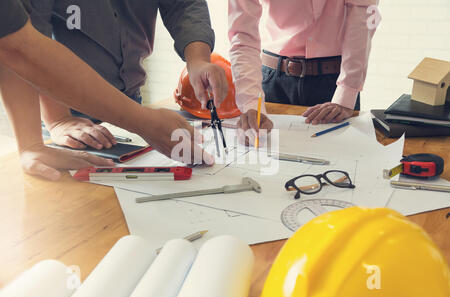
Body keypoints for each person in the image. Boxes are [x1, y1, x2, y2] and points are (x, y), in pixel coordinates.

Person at [0, 0, 220, 180]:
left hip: (133, 108)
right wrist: (56, 120)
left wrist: (198, 59)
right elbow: (20, 43)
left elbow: (184, 4)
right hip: (63, 118)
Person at [228, 0, 380, 142]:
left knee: (341, 163)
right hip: (272, 81)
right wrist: (251, 104)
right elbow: (242, 36)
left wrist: (346, 93)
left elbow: (364, 15)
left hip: (334, 84)